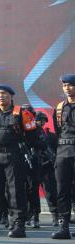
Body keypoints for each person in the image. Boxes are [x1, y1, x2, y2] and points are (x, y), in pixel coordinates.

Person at [0, 84, 40, 238]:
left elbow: (33, 137)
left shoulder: (22, 113)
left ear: (11, 96)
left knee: (15, 193)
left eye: (4, 93)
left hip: (14, 157)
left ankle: (18, 225)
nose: (1, 96)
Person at [51, 74, 75, 239]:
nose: (67, 88)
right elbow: (58, 131)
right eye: (65, 85)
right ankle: (64, 227)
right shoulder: (59, 107)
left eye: (71, 85)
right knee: (62, 190)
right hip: (63, 152)